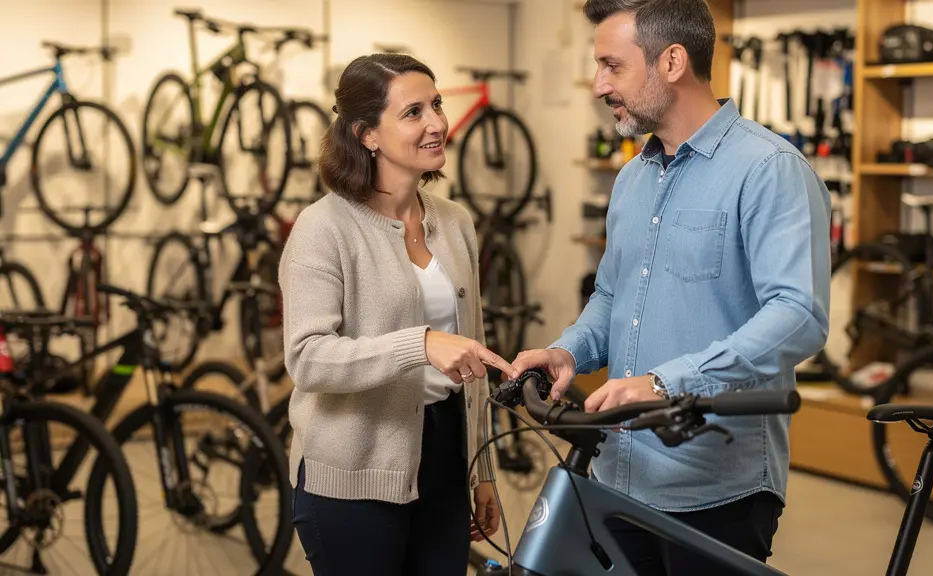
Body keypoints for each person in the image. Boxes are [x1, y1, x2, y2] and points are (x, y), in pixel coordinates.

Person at [510, 0, 831, 574]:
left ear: (673, 62)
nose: (598, 85)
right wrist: (569, 351)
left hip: (715, 488)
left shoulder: (768, 169)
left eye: (612, 66)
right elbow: (612, 296)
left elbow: (799, 314)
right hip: (616, 476)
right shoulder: (632, 178)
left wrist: (667, 383)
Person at [279, 53, 518, 575]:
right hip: (353, 476)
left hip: (445, 460)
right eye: (413, 112)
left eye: (436, 104)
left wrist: (481, 470)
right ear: (367, 134)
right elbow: (308, 359)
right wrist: (421, 344)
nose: (437, 123)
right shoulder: (323, 229)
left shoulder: (455, 223)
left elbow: (473, 361)